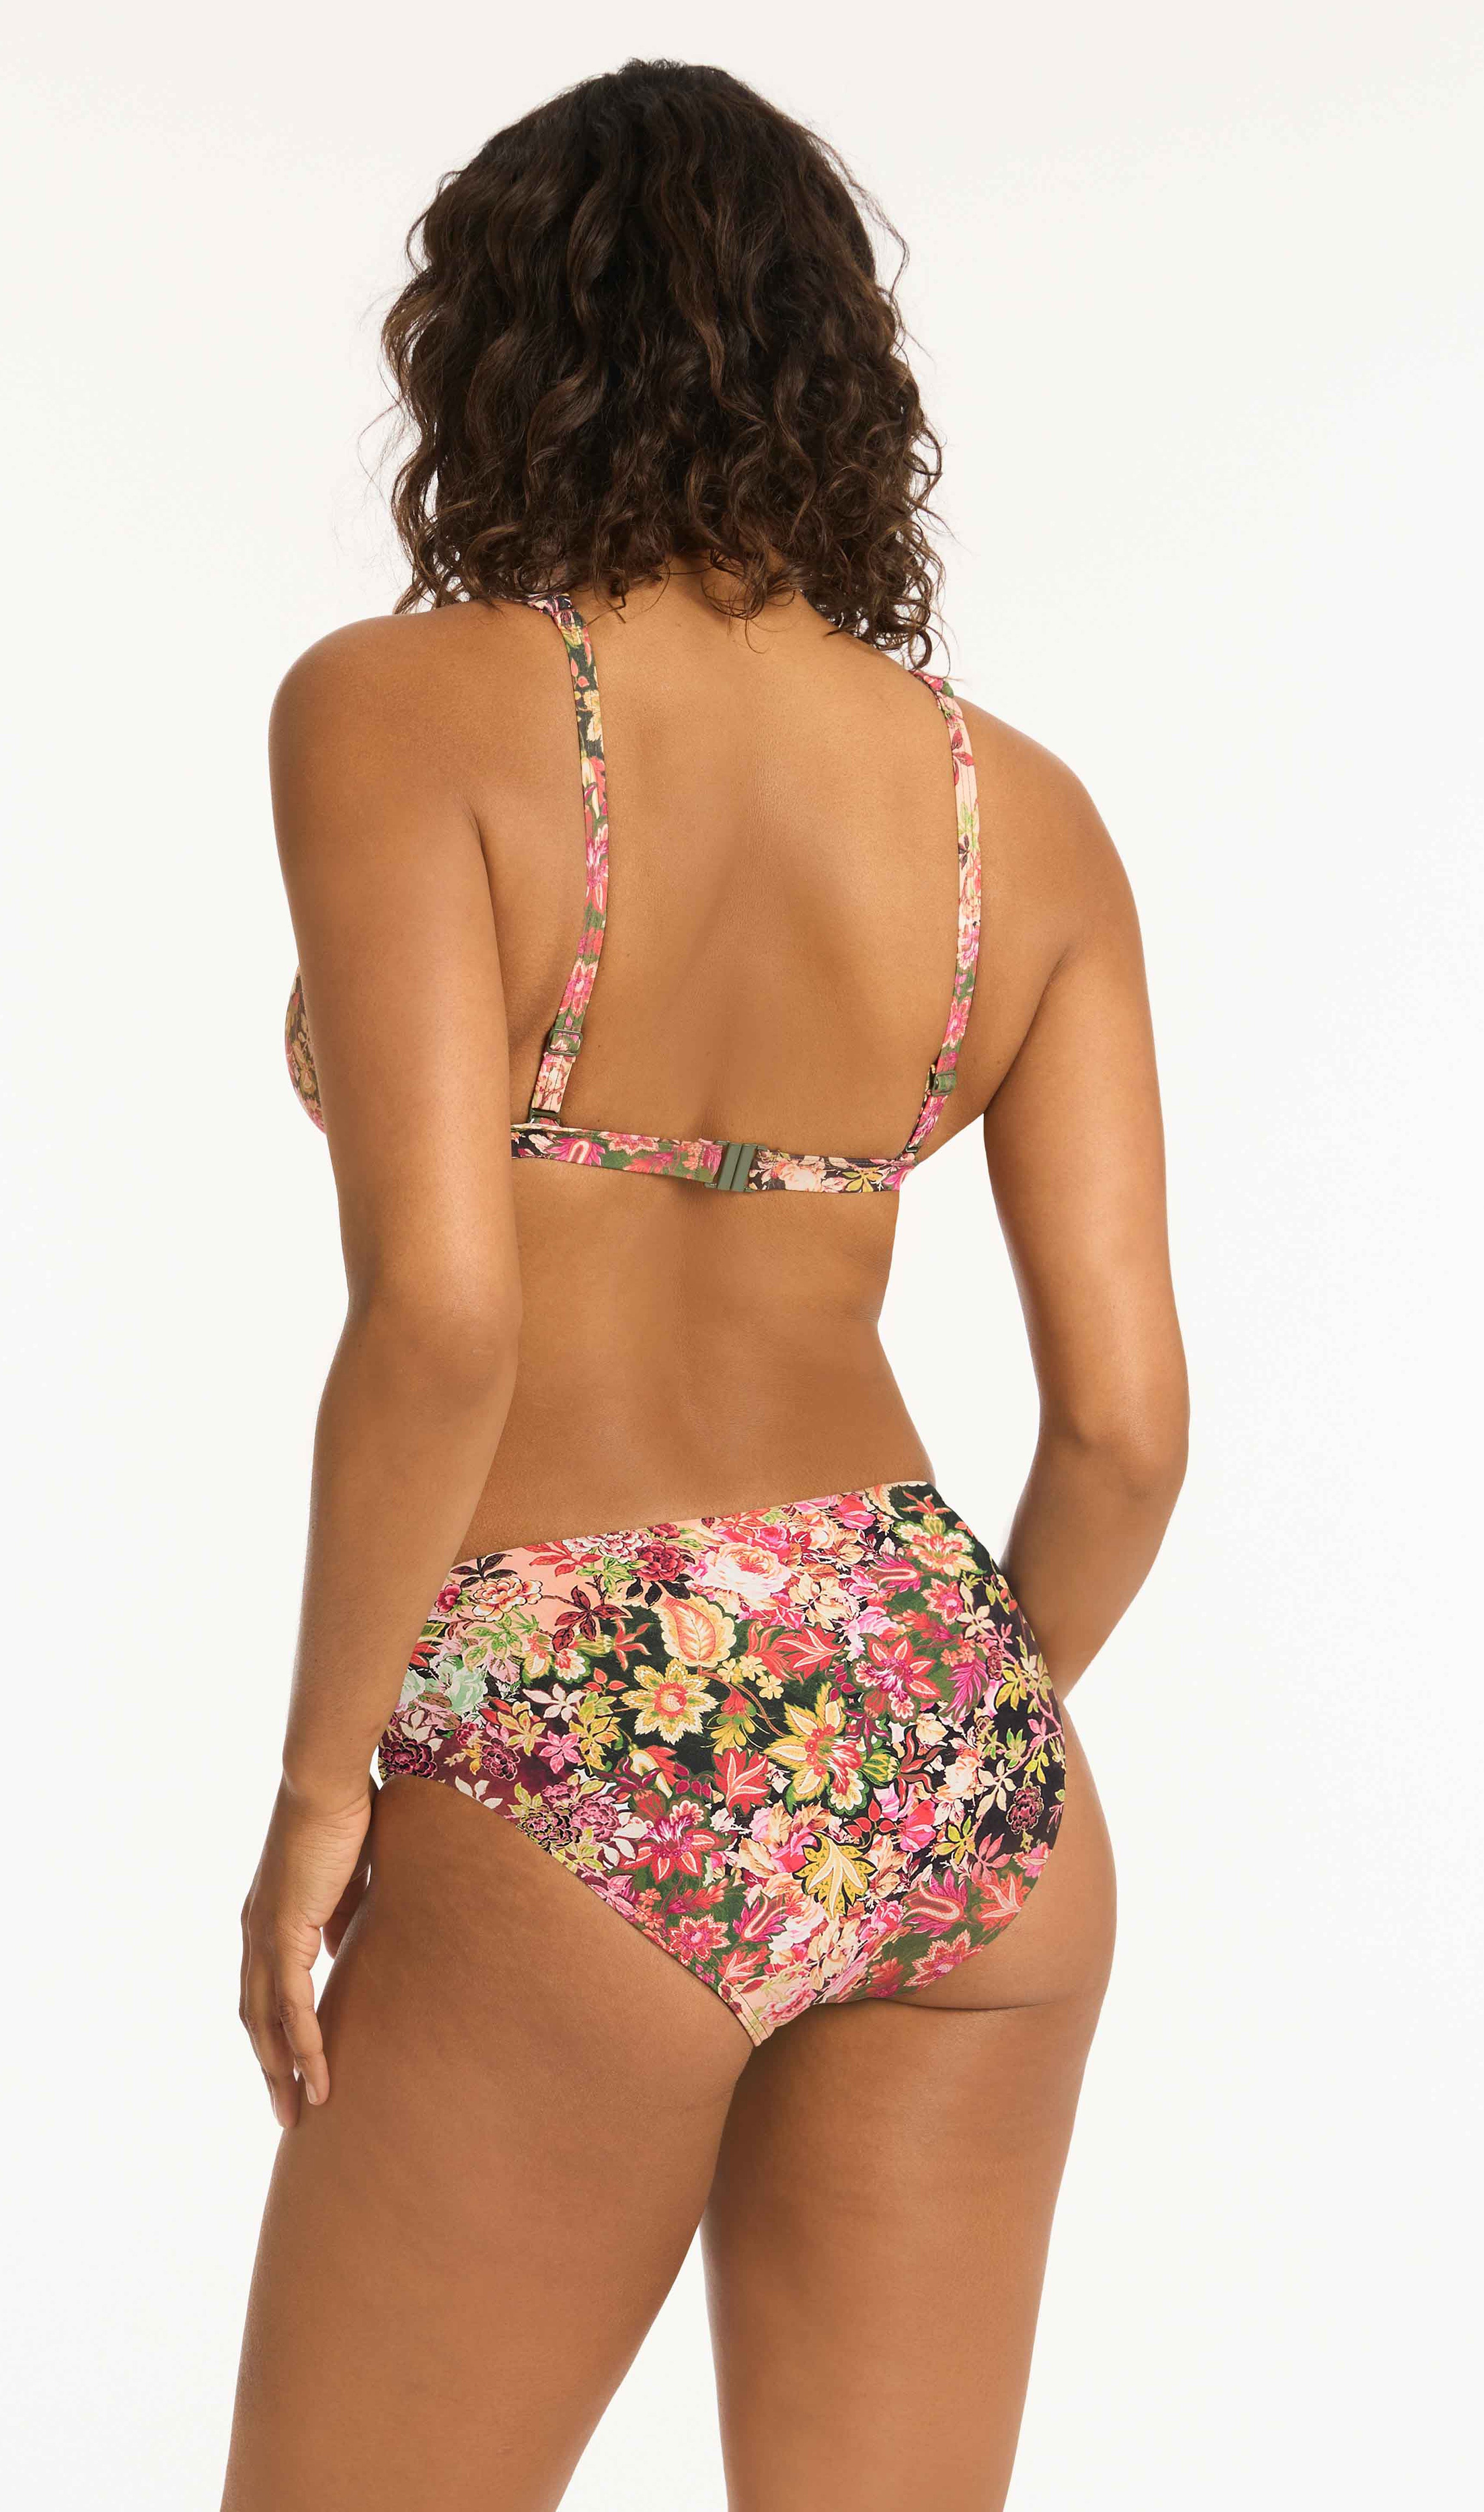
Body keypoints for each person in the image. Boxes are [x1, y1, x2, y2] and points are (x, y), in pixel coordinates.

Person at [222, 57, 1186, 2512]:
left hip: (575, 1718)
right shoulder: (1021, 814)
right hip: (945, 1726)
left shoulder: (399, 710)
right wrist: (903, 1739)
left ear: (492, 356)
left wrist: (322, 1790)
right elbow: (1123, 1431)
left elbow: (444, 1314)